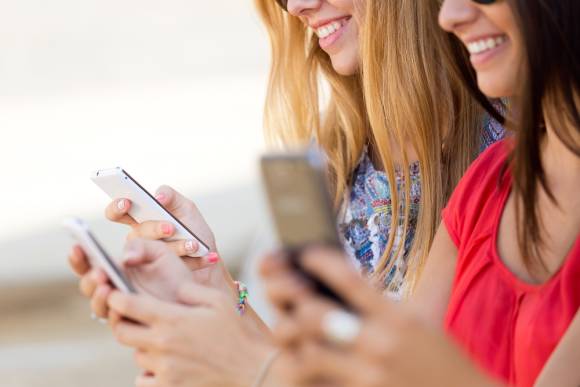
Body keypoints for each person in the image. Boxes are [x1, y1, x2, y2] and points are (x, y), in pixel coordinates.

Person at [68, 0, 505, 385]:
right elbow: (308, 372)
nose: (296, 6)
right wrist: (211, 284)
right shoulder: (333, 154)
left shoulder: (512, 156)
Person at [261, 0, 580, 386]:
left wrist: (253, 364)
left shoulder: (499, 143)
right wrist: (229, 306)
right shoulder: (485, 184)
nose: (296, 6)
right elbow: (352, 372)